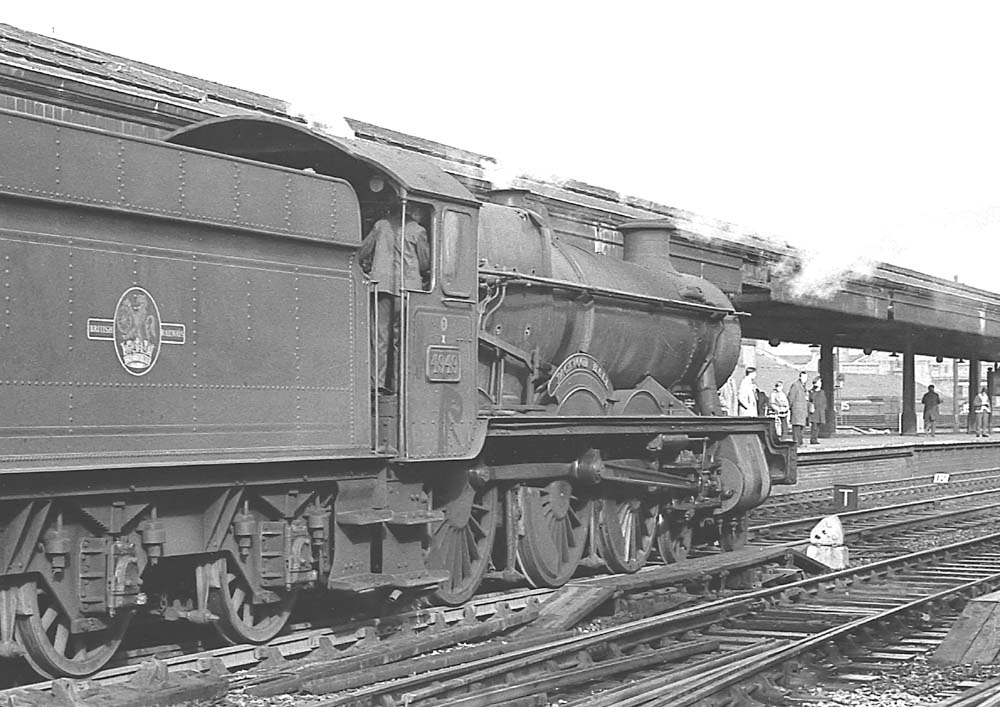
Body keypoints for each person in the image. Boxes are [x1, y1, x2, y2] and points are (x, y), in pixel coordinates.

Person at [358, 203, 431, 393]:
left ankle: (378, 383)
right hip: (407, 289)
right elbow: (424, 263)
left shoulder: (381, 225)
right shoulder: (418, 230)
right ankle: (400, 386)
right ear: (414, 211)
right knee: (402, 340)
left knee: (380, 338)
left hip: (381, 286)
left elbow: (362, 252)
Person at [787, 371, 809, 447]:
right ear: (800, 377)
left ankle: (800, 442)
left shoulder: (804, 387)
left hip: (803, 410)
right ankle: (796, 442)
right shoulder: (795, 385)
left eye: (806, 377)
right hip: (797, 409)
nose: (805, 379)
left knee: (802, 427)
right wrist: (790, 407)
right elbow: (791, 397)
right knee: (797, 426)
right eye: (803, 377)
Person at [809, 377, 828, 445]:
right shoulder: (812, 392)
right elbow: (811, 400)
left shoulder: (822, 392)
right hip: (815, 411)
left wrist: (823, 408)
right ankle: (813, 438)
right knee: (814, 426)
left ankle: (815, 438)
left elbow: (824, 402)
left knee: (818, 426)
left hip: (820, 411)